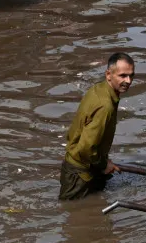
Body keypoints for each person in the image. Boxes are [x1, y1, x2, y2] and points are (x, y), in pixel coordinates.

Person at [58, 52, 135, 200]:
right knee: (73, 215)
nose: (128, 80)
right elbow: (86, 148)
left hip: (84, 164)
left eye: (131, 75)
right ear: (108, 74)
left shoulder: (99, 89)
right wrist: (103, 164)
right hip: (80, 173)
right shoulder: (105, 106)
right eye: (122, 75)